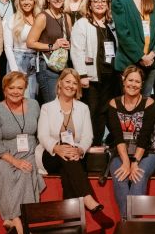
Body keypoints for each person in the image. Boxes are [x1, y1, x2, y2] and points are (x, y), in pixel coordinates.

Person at [37, 68, 109, 220]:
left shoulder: (83, 108)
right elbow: (42, 135)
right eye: (68, 81)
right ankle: (88, 198)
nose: (71, 86)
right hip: (50, 154)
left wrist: (80, 150)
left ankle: (70, 222)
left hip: (74, 155)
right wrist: (57, 148)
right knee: (67, 157)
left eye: (74, 83)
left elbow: (88, 136)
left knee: (68, 165)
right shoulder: (47, 107)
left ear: (78, 87)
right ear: (60, 83)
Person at [0, 71, 45, 234]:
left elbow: (40, 131)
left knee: (26, 172)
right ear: (4, 89)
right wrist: (14, 161)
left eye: (20, 88)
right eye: (11, 87)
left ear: (26, 88)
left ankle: (13, 218)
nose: (15, 91)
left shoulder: (34, 105)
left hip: (29, 152)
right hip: (4, 155)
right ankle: (17, 223)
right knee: (6, 174)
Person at [106, 66, 155, 218]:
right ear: (123, 80)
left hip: (148, 152)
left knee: (139, 176)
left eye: (137, 81)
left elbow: (144, 137)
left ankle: (128, 225)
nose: (133, 84)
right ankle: (132, 225)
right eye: (130, 80)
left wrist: (135, 161)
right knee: (120, 176)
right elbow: (117, 136)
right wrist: (125, 161)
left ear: (142, 84)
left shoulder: (149, 103)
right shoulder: (113, 104)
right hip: (121, 151)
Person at [70, 0, 118, 143]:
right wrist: (82, 75)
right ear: (89, 5)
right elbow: (77, 50)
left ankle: (97, 145)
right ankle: (85, 146)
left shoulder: (111, 25)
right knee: (90, 112)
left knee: (103, 113)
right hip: (90, 78)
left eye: (103, 1)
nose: (100, 4)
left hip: (109, 77)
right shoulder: (82, 24)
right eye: (96, 1)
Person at [110, 0, 155, 97]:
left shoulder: (154, 3)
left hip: (151, 62)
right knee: (128, 104)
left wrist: (152, 54)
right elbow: (123, 34)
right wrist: (141, 57)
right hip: (129, 63)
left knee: (145, 102)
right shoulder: (119, 3)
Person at [27, 0, 73, 104]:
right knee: (53, 105)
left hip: (63, 67)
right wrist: (53, 46)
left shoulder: (66, 17)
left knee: (64, 104)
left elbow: (70, 39)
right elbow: (30, 42)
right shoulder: (42, 17)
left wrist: (69, 44)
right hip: (47, 68)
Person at [4, 0, 40, 100]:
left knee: (31, 99)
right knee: (17, 98)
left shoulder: (40, 18)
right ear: (19, 1)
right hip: (17, 61)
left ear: (34, 1)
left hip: (35, 62)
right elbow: (8, 47)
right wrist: (15, 70)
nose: (26, 2)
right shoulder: (12, 19)